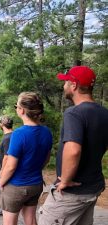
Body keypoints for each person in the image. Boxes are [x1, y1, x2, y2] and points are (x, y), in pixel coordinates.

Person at [38, 66, 108, 225]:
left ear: (74, 86)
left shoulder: (74, 113)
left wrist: (65, 181)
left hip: (71, 194)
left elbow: (74, 150)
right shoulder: (104, 113)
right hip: (93, 187)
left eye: (66, 82)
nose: (64, 86)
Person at [0, 92, 52, 225]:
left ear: (22, 110)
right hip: (36, 184)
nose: (16, 108)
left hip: (16, 187)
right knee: (31, 220)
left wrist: (1, 181)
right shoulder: (46, 132)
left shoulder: (18, 134)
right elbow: (46, 159)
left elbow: (11, 166)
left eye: (16, 106)